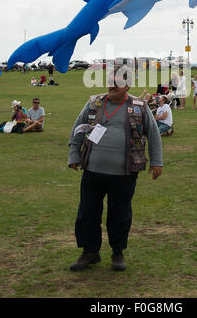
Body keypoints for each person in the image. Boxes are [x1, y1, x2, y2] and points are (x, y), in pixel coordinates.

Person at [68, 65, 163, 272]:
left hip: (124, 174)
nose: (112, 85)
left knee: (119, 215)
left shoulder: (140, 106)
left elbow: (154, 135)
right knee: (87, 214)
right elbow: (78, 128)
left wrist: (157, 161)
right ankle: (90, 252)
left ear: (126, 85)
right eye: (110, 80)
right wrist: (74, 154)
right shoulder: (94, 102)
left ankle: (117, 253)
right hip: (92, 172)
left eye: (117, 82)